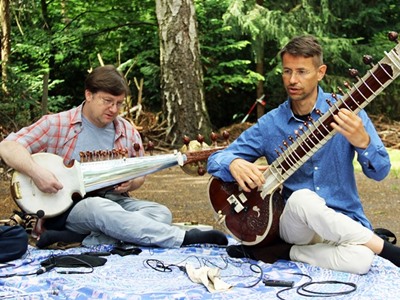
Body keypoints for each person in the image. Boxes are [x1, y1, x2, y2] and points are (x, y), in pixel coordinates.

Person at [207, 35, 400, 274]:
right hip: (297, 225)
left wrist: (364, 142)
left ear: (320, 72)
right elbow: (215, 159)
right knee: (302, 199)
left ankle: (283, 252)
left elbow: (380, 172)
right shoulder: (271, 124)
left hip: (344, 220)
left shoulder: (349, 112)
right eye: (287, 71)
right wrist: (233, 162)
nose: (292, 80)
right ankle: (388, 251)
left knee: (361, 260)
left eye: (301, 72)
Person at [0, 65, 228, 249]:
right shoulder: (57, 124)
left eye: (119, 103)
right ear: (88, 95)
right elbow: (8, 147)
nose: (114, 109)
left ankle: (83, 238)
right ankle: (183, 238)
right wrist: (36, 172)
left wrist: (132, 181)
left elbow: (140, 178)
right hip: (68, 207)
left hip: (115, 202)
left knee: (160, 212)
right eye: (107, 101)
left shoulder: (126, 131)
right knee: (100, 209)